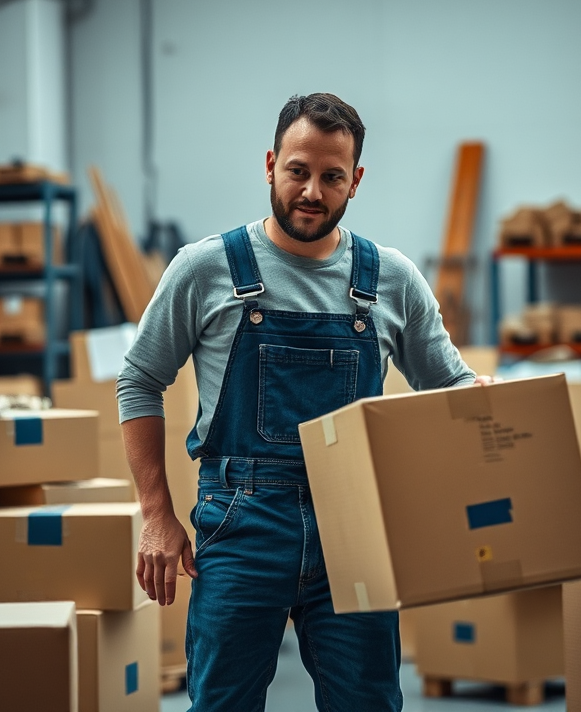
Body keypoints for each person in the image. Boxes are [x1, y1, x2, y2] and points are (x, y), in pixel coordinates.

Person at [117, 92, 491, 712]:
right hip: (241, 521)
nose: (312, 191)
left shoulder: (391, 277)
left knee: (367, 703)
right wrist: (156, 513)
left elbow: (448, 388)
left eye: (331, 177)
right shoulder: (205, 268)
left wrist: (484, 403)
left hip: (355, 526)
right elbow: (139, 379)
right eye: (298, 171)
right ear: (270, 165)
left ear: (356, 181)